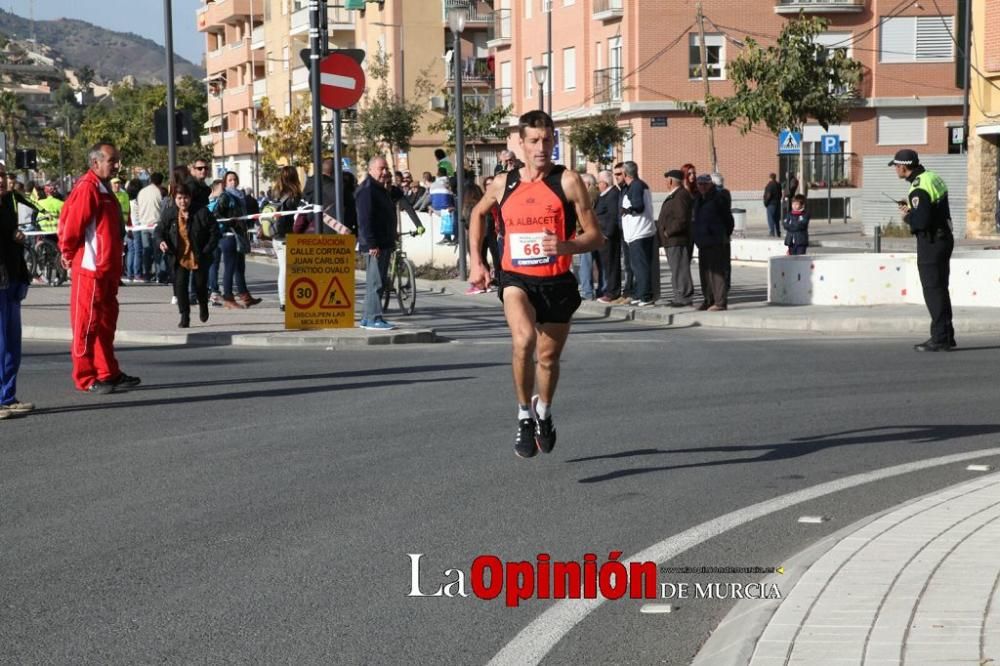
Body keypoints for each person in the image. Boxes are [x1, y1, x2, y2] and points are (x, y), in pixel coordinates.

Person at [468, 110, 604, 459]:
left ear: (554, 141)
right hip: (517, 279)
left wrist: (566, 246)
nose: (541, 147)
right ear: (521, 144)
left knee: (547, 358)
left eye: (547, 140)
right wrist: (477, 262)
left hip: (557, 282)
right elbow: (477, 214)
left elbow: (595, 237)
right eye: (534, 140)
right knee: (524, 339)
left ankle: (543, 411)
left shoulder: (568, 181)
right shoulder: (504, 183)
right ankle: (524, 416)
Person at [58, 142, 141, 394]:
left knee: (105, 323)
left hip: (106, 269)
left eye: (117, 160)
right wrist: (68, 253)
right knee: (86, 325)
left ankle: (108, 372)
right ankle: (85, 377)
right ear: (95, 163)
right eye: (112, 160)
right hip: (90, 269)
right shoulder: (88, 187)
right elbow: (72, 224)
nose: (117, 164)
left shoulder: (104, 188)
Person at [890, 149, 956, 351]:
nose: (895, 170)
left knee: (933, 290)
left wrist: (908, 216)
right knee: (940, 289)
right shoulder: (932, 177)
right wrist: (914, 210)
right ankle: (945, 335)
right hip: (944, 238)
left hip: (931, 242)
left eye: (896, 166)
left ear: (903, 166)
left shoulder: (917, 188)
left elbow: (922, 221)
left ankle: (939, 338)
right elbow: (932, 209)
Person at [155, 182, 220, 328]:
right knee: (180, 286)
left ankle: (203, 306)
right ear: (174, 198)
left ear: (190, 198)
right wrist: (161, 242)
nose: (183, 201)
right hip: (178, 256)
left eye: (185, 198)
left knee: (200, 285)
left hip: (199, 255)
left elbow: (214, 231)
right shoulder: (169, 213)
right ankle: (185, 315)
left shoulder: (201, 212)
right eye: (179, 198)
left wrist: (207, 249)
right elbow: (159, 231)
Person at [0, 166, 34, 418]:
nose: (1, 181)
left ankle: (7, 396)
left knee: (12, 343)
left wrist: (15, 235)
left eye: (2, 175)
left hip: (12, 280)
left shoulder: (7, 204)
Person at [355, 157, 397, 331]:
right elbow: (365, 220)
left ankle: (367, 317)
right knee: (376, 282)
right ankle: (374, 318)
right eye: (381, 169)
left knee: (376, 281)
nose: (385, 172)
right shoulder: (368, 190)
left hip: (383, 242)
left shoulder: (381, 189)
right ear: (371, 170)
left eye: (386, 168)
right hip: (375, 244)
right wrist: (372, 244)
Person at [214, 171, 262, 309]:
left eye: (235, 179)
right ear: (225, 182)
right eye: (230, 180)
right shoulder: (226, 196)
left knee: (240, 267)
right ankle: (228, 297)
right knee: (229, 267)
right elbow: (217, 213)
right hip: (229, 236)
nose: (233, 182)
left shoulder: (240, 197)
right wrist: (231, 222)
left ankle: (245, 296)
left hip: (240, 235)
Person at [692, 173, 733, 311]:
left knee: (717, 273)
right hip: (703, 241)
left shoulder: (718, 197)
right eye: (700, 184)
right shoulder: (698, 199)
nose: (702, 187)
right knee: (705, 273)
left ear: (711, 184)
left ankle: (720, 302)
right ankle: (708, 300)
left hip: (716, 240)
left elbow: (728, 219)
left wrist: (722, 234)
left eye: (705, 184)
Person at [620, 161, 656, 306]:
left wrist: (626, 210)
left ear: (625, 174)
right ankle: (639, 293)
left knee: (640, 266)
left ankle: (646, 296)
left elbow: (639, 206)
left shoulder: (636, 186)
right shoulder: (638, 185)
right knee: (636, 266)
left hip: (639, 232)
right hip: (637, 232)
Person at [657, 169, 695, 307]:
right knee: (676, 269)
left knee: (680, 268)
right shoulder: (676, 195)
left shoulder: (680, 195)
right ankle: (679, 296)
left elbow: (682, 219)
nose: (666, 183)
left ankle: (684, 297)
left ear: (671, 181)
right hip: (672, 240)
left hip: (677, 239)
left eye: (667, 180)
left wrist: (668, 232)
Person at [272, 166, 302, 312]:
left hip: (275, 235)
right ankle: (284, 301)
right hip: (287, 235)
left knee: (283, 268)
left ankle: (284, 299)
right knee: (286, 269)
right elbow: (298, 216)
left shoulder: (275, 193)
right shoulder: (294, 195)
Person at [594, 170, 621, 304]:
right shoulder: (604, 195)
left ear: (604, 183)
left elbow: (612, 216)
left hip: (608, 237)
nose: (597, 185)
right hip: (601, 236)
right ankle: (607, 289)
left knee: (611, 265)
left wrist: (607, 234)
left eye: (598, 182)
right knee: (605, 265)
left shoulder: (612, 195)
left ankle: (612, 292)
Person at [135, 173, 164, 282]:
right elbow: (162, 208)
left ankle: (146, 273)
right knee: (158, 252)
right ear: (160, 182)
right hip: (156, 224)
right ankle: (159, 275)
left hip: (143, 225)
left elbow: (137, 207)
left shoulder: (142, 192)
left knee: (146, 251)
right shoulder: (159, 192)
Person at [763, 173, 782, 238]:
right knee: (777, 219)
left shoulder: (769, 185)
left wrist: (766, 203)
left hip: (771, 204)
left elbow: (768, 195)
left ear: (770, 178)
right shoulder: (778, 184)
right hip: (777, 203)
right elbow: (780, 194)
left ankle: (772, 232)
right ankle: (778, 232)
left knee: (770, 218)